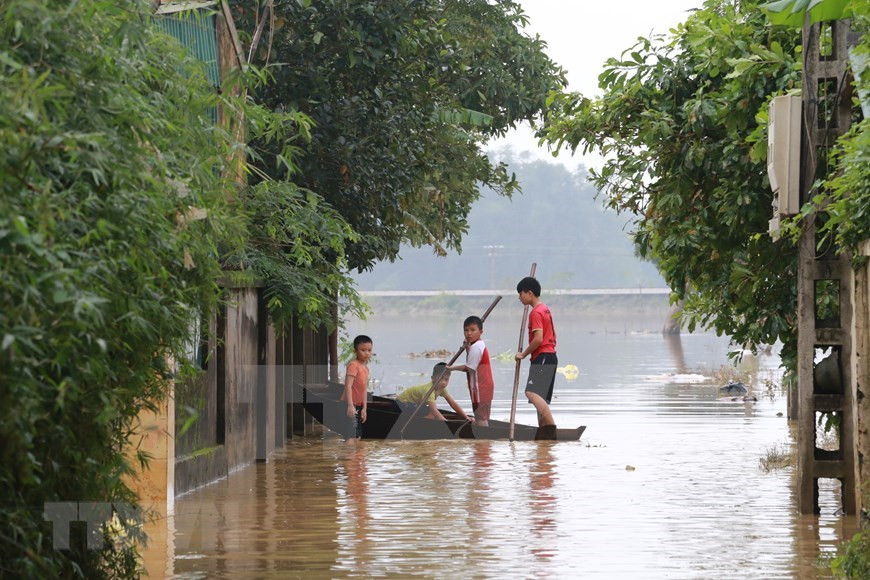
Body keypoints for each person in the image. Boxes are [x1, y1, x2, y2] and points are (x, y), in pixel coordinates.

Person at [515, 277, 557, 428]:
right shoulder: (544, 308)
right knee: (540, 399)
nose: (519, 297)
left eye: (521, 294)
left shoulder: (536, 312)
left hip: (543, 356)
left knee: (531, 393)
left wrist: (523, 354)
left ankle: (551, 427)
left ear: (530, 293)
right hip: (549, 356)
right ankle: (544, 433)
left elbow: (538, 339)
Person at [448, 315, 494, 426]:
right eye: (466, 330)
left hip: (481, 387)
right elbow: (470, 352)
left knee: (481, 416)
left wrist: (452, 368)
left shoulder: (477, 348)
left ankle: (484, 441)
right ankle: (481, 438)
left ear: (481, 331)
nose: (469, 333)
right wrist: (467, 346)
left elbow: (469, 368)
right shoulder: (475, 345)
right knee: (479, 415)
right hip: (479, 387)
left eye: (473, 330)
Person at [396, 362, 473, 422]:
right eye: (441, 379)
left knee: (432, 415)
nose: (443, 382)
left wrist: (466, 417)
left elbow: (453, 403)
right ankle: (419, 424)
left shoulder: (442, 388)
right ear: (433, 378)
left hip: (415, 404)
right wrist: (447, 423)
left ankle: (424, 421)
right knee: (433, 415)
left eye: (446, 379)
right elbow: (434, 410)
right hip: (402, 403)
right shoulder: (429, 390)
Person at [342, 335, 372, 440]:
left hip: (358, 406)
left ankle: (355, 456)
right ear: (355, 351)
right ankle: (349, 455)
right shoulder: (353, 365)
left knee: (357, 436)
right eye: (363, 350)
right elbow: (348, 386)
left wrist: (364, 408)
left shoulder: (366, 368)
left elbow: (364, 390)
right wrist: (350, 405)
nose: (367, 353)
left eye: (369, 350)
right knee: (352, 436)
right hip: (350, 404)